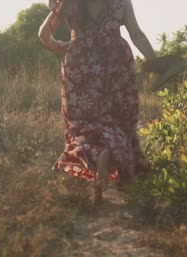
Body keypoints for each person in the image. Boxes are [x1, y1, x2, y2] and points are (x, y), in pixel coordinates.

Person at [38, 0, 156, 204]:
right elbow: (136, 34)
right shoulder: (121, 3)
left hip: (80, 66)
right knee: (120, 122)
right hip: (115, 66)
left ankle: (100, 154)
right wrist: (154, 61)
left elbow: (43, 35)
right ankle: (115, 159)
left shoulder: (69, 4)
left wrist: (65, 47)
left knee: (85, 127)